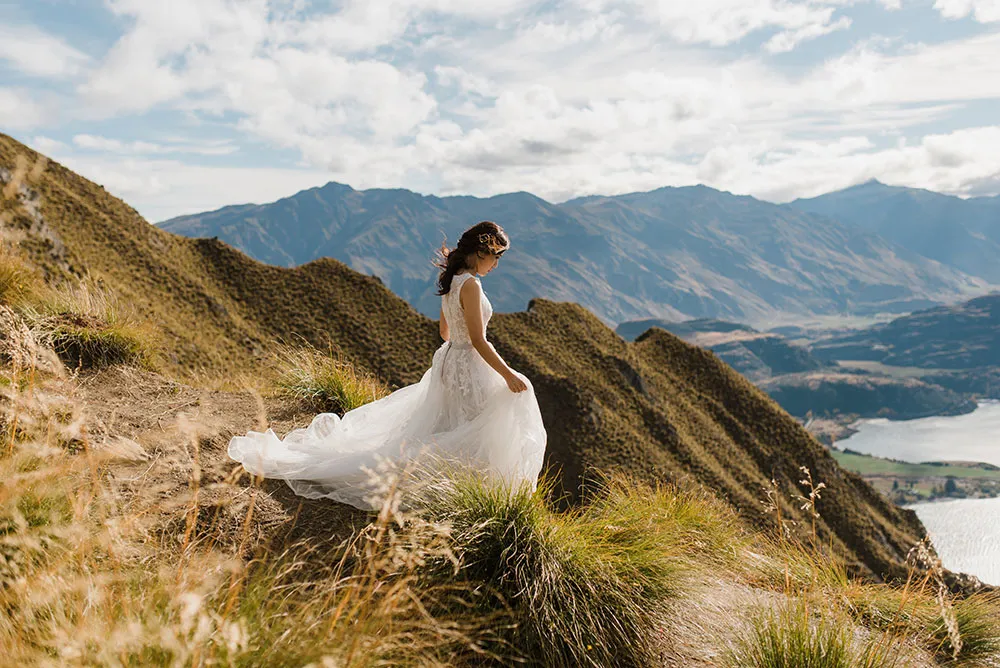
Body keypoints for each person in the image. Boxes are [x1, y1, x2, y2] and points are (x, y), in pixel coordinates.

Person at [227, 221, 547, 510]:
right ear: (481, 252)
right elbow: (479, 340)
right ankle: (476, 489)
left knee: (454, 424)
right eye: (496, 257)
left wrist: (459, 346)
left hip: (450, 361)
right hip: (470, 364)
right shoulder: (472, 286)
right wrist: (508, 375)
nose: (496, 264)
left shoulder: (452, 280)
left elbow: (445, 332)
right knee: (488, 416)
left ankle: (462, 485)